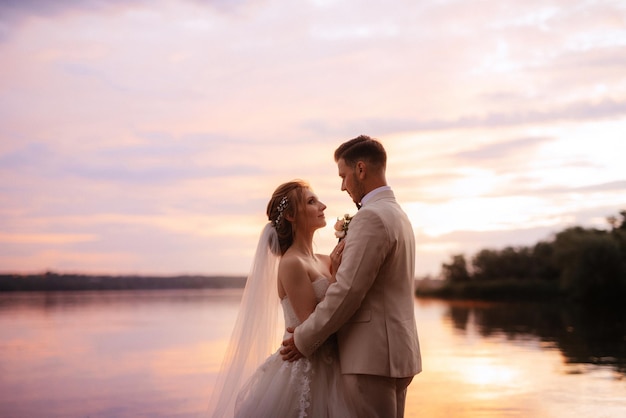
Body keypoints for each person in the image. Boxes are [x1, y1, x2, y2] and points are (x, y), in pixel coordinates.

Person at [281, 135, 422, 417]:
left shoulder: (371, 217)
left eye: (343, 176)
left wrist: (302, 339)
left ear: (360, 169)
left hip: (370, 357)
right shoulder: (398, 214)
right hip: (396, 353)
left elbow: (347, 292)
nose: (342, 185)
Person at [207, 180, 354, 418]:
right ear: (290, 215)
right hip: (308, 367)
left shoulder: (325, 259)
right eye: (311, 202)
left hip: (335, 364)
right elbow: (311, 322)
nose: (323, 206)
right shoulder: (291, 263)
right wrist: (336, 277)